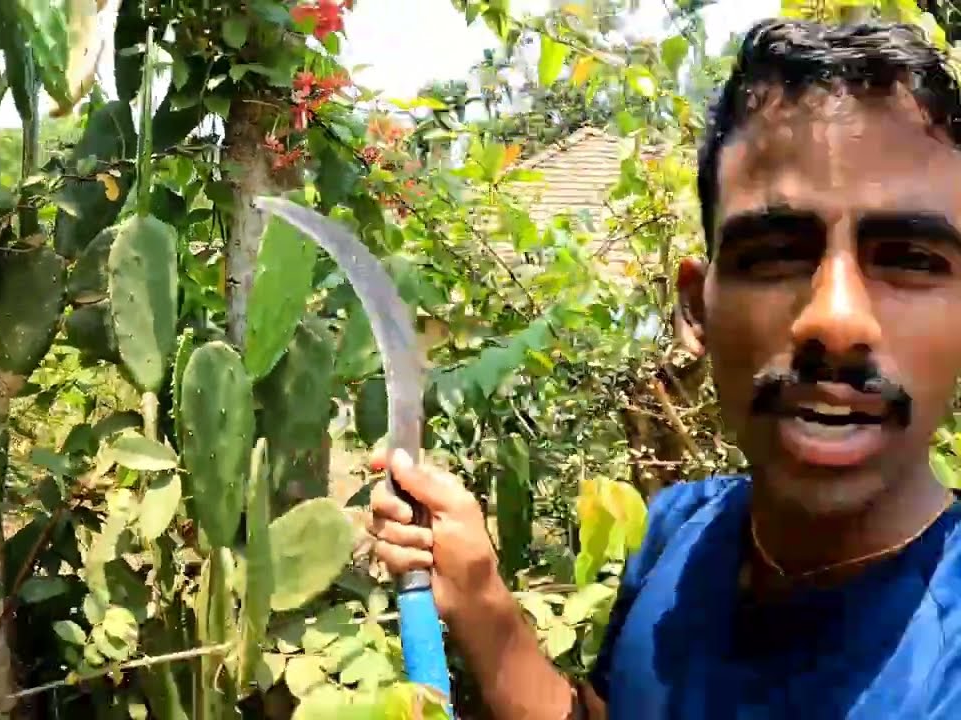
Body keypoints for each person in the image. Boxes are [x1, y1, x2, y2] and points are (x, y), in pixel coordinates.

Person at [369, 17, 961, 720]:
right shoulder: (682, 530)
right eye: (775, 253)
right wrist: (482, 600)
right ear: (697, 310)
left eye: (911, 260)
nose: (836, 321)